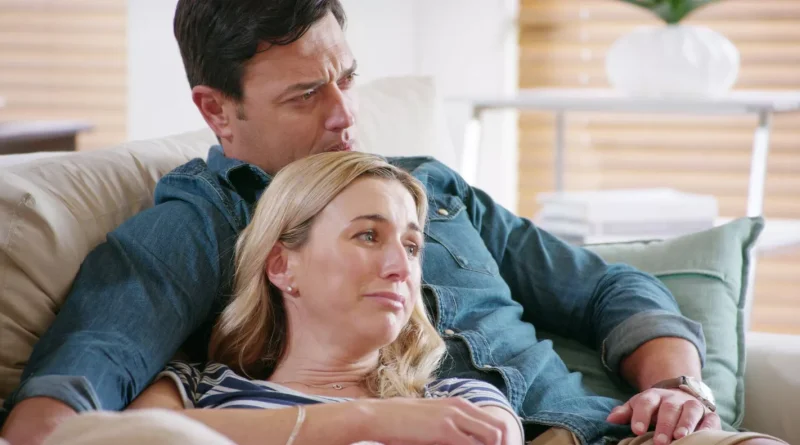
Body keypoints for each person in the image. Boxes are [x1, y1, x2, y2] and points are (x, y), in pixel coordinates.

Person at [0, 1, 784, 445]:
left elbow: (611, 289)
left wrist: (676, 386)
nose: (347, 116)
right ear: (217, 110)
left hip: (622, 431)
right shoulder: (197, 228)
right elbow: (51, 423)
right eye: (306, 95)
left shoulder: (431, 184)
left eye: (347, 78)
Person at [124, 151, 524, 445]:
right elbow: (130, 438)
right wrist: (365, 420)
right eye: (368, 235)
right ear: (282, 265)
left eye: (412, 247)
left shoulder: (460, 402)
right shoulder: (193, 390)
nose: (401, 267)